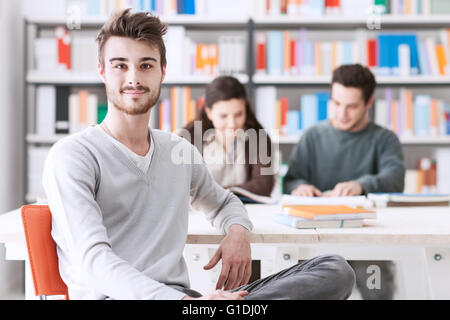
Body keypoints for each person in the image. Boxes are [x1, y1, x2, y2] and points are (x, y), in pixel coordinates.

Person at [42, 9, 355, 300]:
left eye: (146, 65)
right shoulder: (73, 156)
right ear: (101, 71)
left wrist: (237, 231)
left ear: (162, 71)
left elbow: (223, 202)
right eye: (120, 65)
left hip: (183, 298)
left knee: (335, 270)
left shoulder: (179, 151)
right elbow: (95, 263)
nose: (134, 78)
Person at [284, 64, 405, 299]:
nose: (342, 113)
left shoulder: (384, 139)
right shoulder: (312, 136)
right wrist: (300, 187)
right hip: (317, 237)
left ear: (368, 103)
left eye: (351, 106)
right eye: (336, 103)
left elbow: (395, 178)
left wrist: (362, 185)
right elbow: (290, 180)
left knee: (377, 288)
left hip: (368, 240)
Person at [182, 75, 275, 199]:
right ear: (209, 112)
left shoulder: (259, 138)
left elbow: (263, 187)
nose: (232, 124)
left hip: (244, 211)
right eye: (223, 116)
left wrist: (214, 192)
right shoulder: (190, 137)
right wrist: (234, 190)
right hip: (200, 213)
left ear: (245, 109)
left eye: (238, 114)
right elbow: (182, 186)